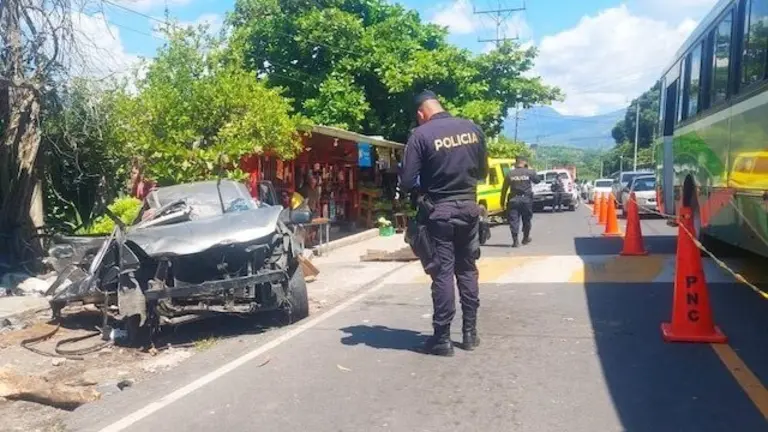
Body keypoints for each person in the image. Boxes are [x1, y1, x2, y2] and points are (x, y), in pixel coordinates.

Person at [400, 90, 487, 357]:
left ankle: (442, 339)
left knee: (443, 274)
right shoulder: (473, 129)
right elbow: (482, 172)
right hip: (470, 209)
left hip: (439, 213)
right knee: (468, 270)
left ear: (420, 113)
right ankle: (470, 334)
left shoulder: (421, 135)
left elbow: (405, 182)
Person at [501, 156, 540, 248]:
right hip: (526, 200)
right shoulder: (529, 172)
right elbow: (538, 180)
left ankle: (515, 242)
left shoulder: (510, 174)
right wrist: (530, 169)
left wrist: (502, 202)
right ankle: (525, 238)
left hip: (513, 200)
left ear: (516, 163)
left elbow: (504, 189)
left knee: (514, 221)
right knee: (526, 220)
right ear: (525, 163)